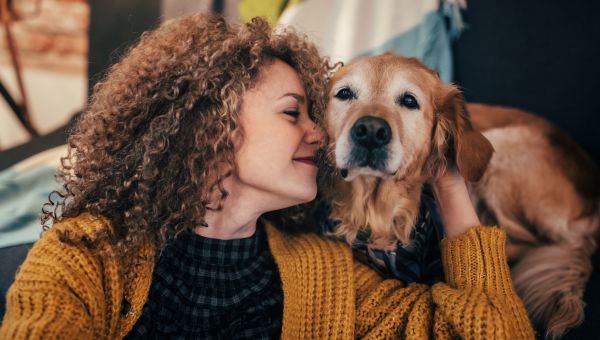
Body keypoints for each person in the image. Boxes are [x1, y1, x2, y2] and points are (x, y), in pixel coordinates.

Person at [0, 13, 534, 339]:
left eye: (313, 112)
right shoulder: (87, 253)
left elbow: (495, 332)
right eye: (292, 112)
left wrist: (448, 179)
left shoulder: (328, 276)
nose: (322, 134)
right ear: (212, 127)